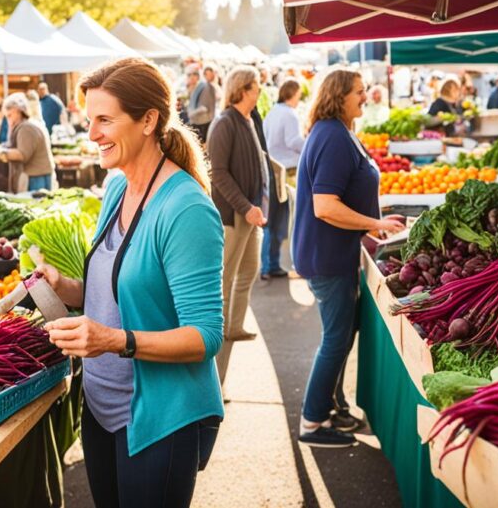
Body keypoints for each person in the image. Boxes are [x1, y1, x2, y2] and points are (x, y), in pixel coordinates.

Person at [39, 58, 223, 508]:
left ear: (148, 120)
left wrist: (114, 340)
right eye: (89, 121)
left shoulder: (186, 210)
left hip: (158, 418)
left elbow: (206, 336)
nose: (92, 135)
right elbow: (115, 288)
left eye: (105, 120)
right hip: (101, 410)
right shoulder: (118, 188)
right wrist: (64, 288)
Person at [293, 70, 405, 448]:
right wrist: (375, 223)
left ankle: (332, 405)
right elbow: (325, 206)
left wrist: (375, 219)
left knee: (342, 335)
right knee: (336, 339)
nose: (365, 96)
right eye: (358, 92)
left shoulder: (337, 132)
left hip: (334, 254)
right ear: (338, 96)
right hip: (327, 257)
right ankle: (311, 422)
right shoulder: (332, 136)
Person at [207, 66, 268, 386]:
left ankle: (234, 327)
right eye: (256, 87)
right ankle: (215, 353)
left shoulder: (247, 120)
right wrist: (245, 208)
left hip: (249, 214)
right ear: (242, 89)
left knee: (249, 270)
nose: (259, 91)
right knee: (225, 277)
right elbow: (218, 174)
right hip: (232, 216)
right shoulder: (224, 123)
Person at [261, 79, 306, 279]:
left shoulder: (273, 111)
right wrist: (310, 145)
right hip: (287, 170)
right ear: (292, 93)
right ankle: (273, 264)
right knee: (285, 219)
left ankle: (268, 264)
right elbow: (293, 141)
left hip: (272, 167)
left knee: (273, 218)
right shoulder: (289, 114)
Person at [0, 92, 55, 193]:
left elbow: (22, 154)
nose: (9, 121)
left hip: (36, 178)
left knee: (35, 207)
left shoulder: (26, 128)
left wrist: (0, 152)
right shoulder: (30, 124)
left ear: (19, 111)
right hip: (39, 175)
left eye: (10, 115)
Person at [188, 65, 220, 143]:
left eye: (195, 74)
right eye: (190, 75)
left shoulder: (208, 86)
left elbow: (206, 107)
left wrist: (192, 113)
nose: (192, 77)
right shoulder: (197, 87)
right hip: (198, 121)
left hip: (204, 121)